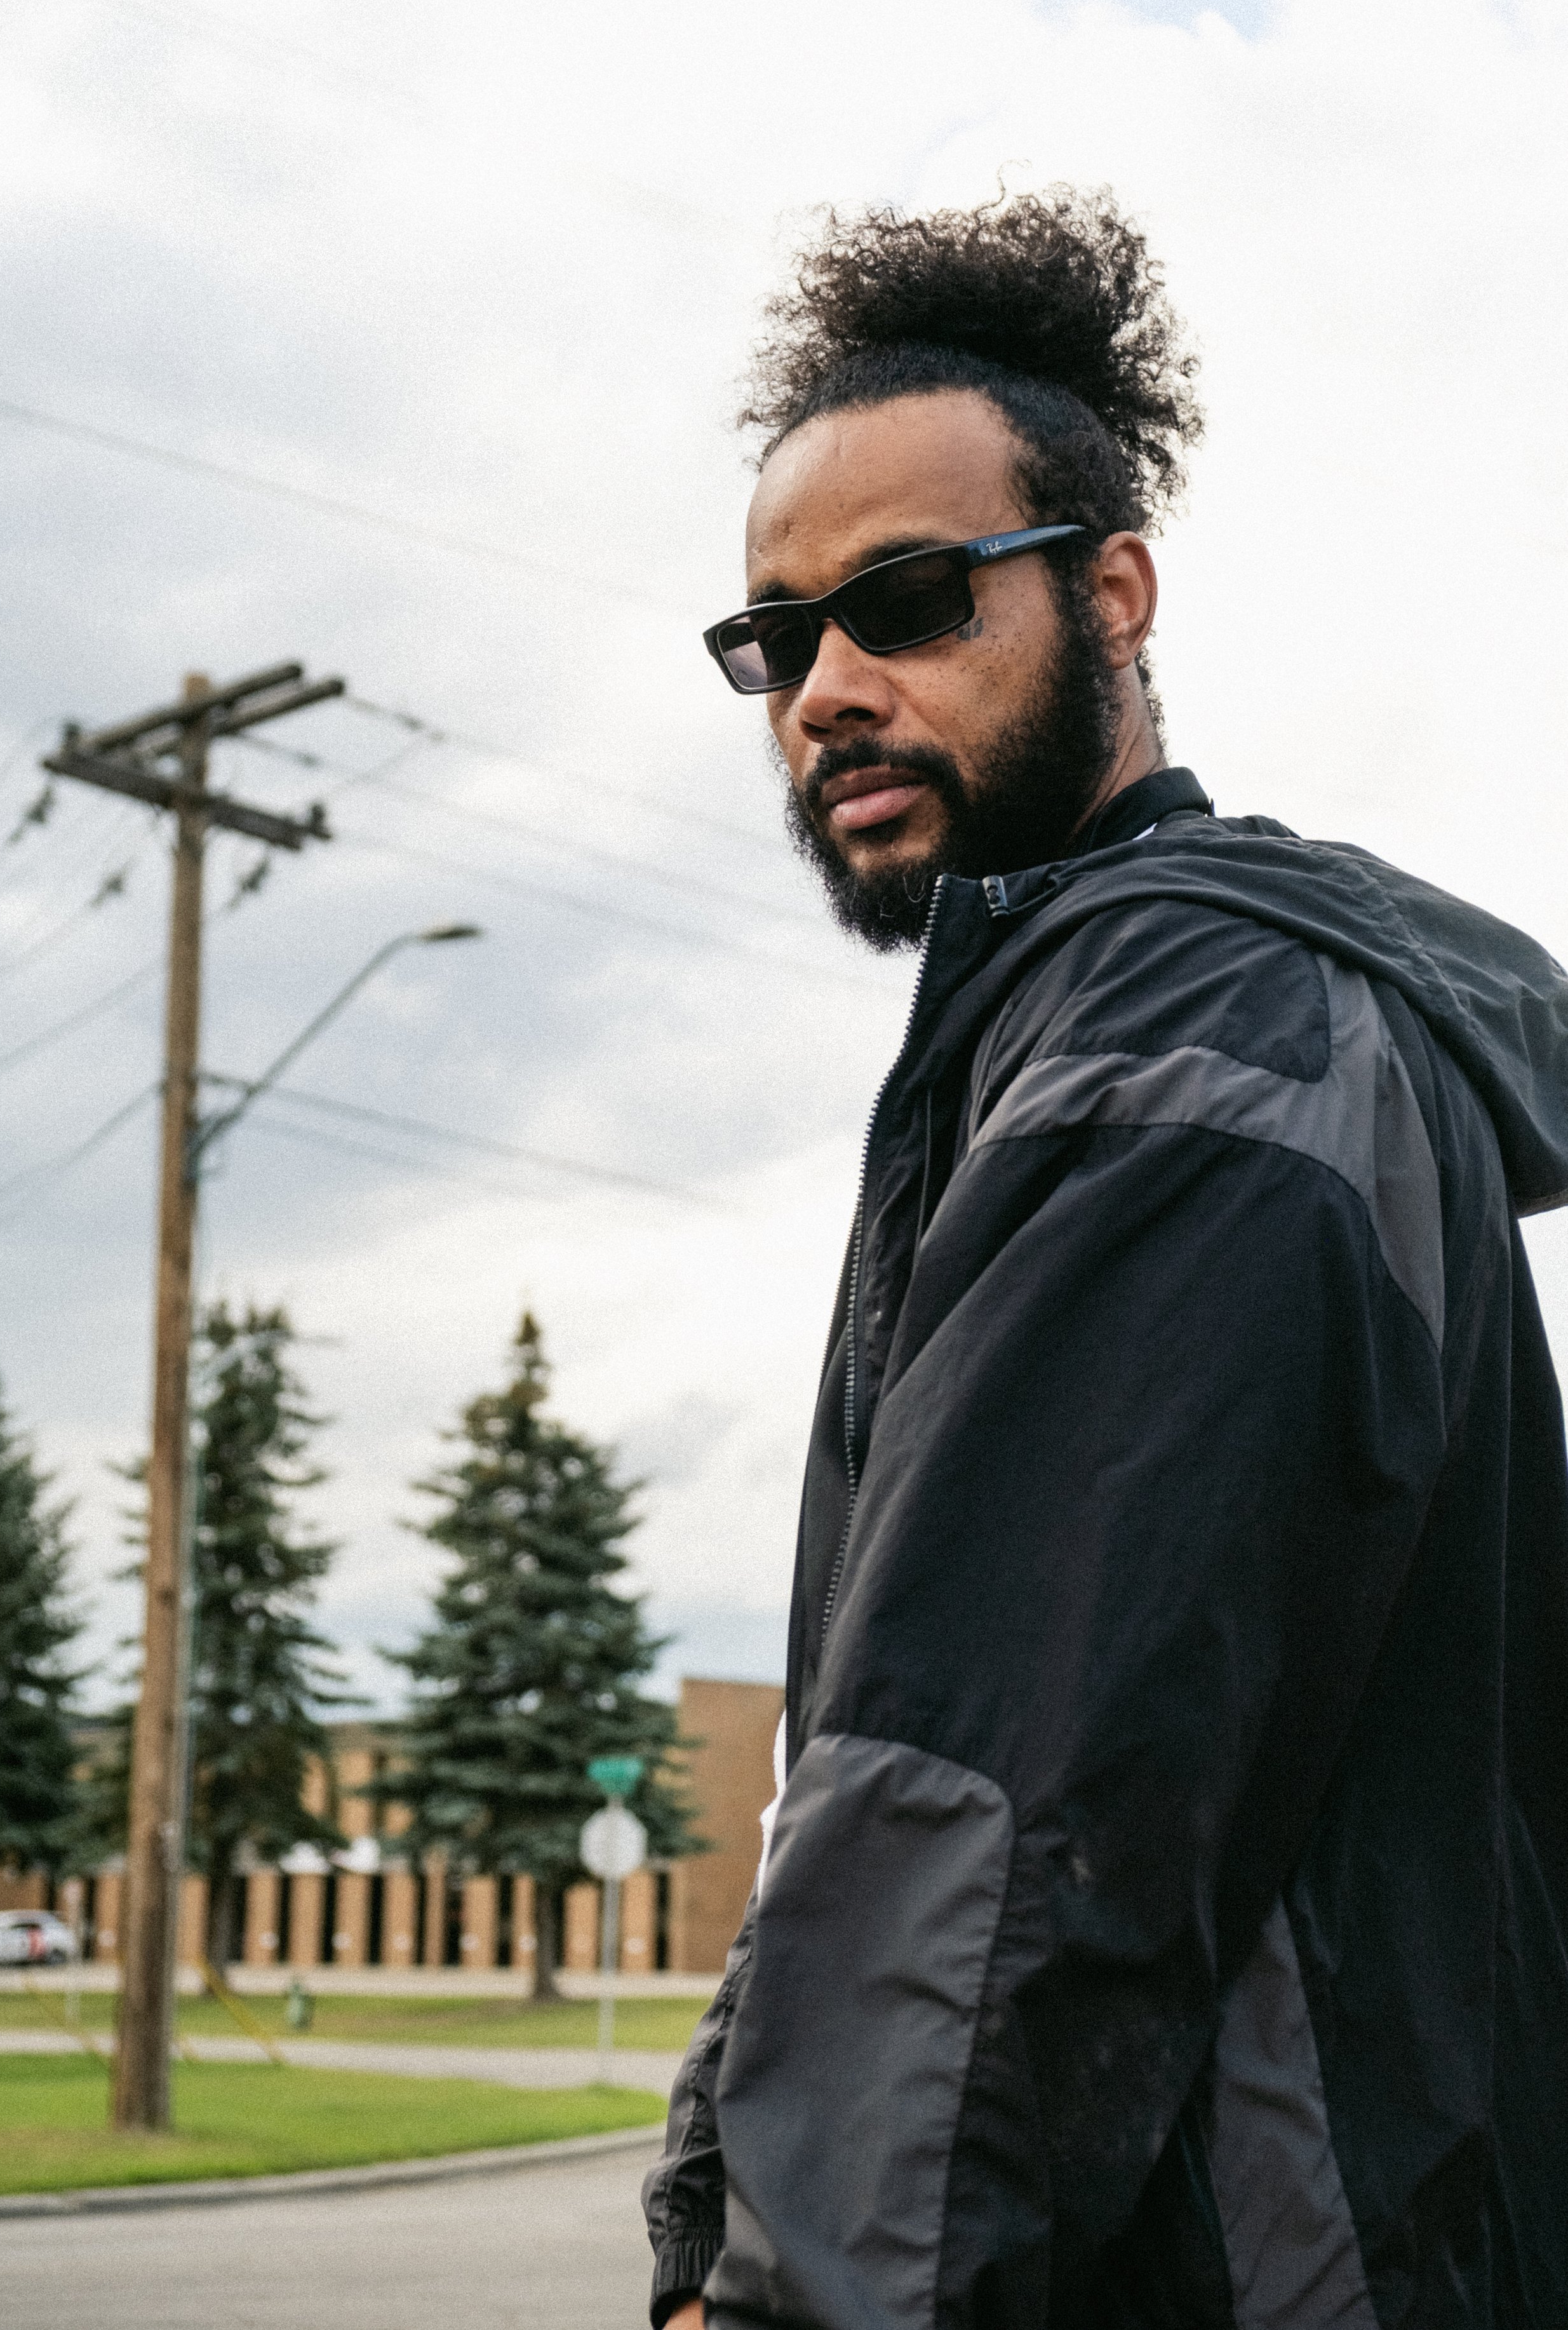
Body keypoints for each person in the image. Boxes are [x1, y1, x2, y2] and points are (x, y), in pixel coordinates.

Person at [643, 191, 1568, 2327]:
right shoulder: (1087, 1033)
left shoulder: (1191, 1046)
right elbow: (875, 1787)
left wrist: (787, 2298)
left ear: (1111, 590)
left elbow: (999, 1811)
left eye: (904, 602)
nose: (827, 692)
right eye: (778, 640)